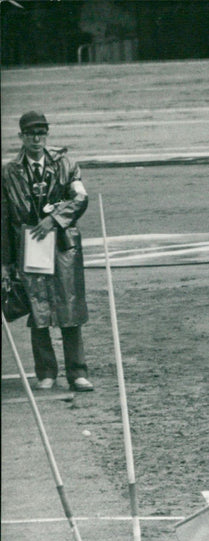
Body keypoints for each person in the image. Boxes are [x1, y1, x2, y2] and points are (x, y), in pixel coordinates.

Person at [0, 111, 93, 392]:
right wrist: (5, 262)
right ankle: (46, 372)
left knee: (69, 305)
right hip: (28, 246)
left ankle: (77, 372)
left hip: (62, 244)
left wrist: (54, 218)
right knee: (38, 309)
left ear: (47, 134)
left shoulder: (66, 163)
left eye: (41, 133)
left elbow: (80, 197)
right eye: (30, 134)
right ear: (21, 137)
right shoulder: (8, 172)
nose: (37, 139)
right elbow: (3, 218)